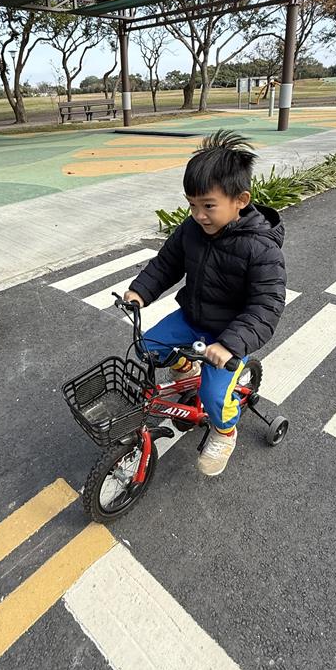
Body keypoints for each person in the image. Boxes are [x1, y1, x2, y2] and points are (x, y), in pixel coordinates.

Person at [124, 130, 286, 477]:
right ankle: (186, 368)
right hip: (192, 317)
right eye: (192, 205)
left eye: (208, 205)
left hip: (228, 334)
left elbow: (266, 306)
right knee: (146, 347)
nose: (198, 215)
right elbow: (166, 264)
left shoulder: (261, 249)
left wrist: (229, 345)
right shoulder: (192, 230)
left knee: (215, 398)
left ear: (240, 200)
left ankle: (225, 432)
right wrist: (141, 291)